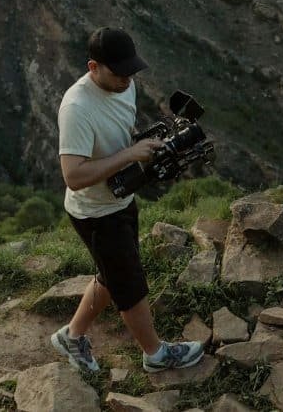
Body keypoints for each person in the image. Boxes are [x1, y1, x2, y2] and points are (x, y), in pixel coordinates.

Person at [50, 27, 204, 373]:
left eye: (131, 71)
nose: (127, 80)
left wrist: (145, 149)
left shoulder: (125, 84)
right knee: (130, 286)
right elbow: (73, 177)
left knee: (111, 275)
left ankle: (71, 337)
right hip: (95, 212)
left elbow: (117, 134)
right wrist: (130, 154)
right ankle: (156, 354)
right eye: (119, 73)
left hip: (120, 199)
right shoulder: (76, 108)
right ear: (93, 67)